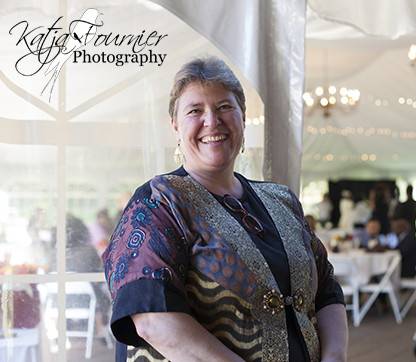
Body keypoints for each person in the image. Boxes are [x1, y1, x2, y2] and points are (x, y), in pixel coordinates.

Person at [102, 57, 347, 362]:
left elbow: (327, 290)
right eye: (195, 110)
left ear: (242, 117)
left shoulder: (281, 200)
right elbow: (151, 318)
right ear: (175, 125)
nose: (212, 121)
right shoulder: (159, 203)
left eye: (224, 107)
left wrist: (335, 356)